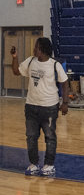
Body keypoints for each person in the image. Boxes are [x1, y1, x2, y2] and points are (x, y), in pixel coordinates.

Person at [11, 37, 69, 176]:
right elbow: (16, 71)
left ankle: (49, 165)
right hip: (31, 106)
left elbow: (65, 83)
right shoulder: (30, 61)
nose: (33, 49)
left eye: (36, 46)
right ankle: (34, 164)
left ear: (42, 49)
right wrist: (14, 57)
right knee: (31, 137)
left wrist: (65, 103)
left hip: (49, 107)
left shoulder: (55, 65)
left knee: (50, 137)